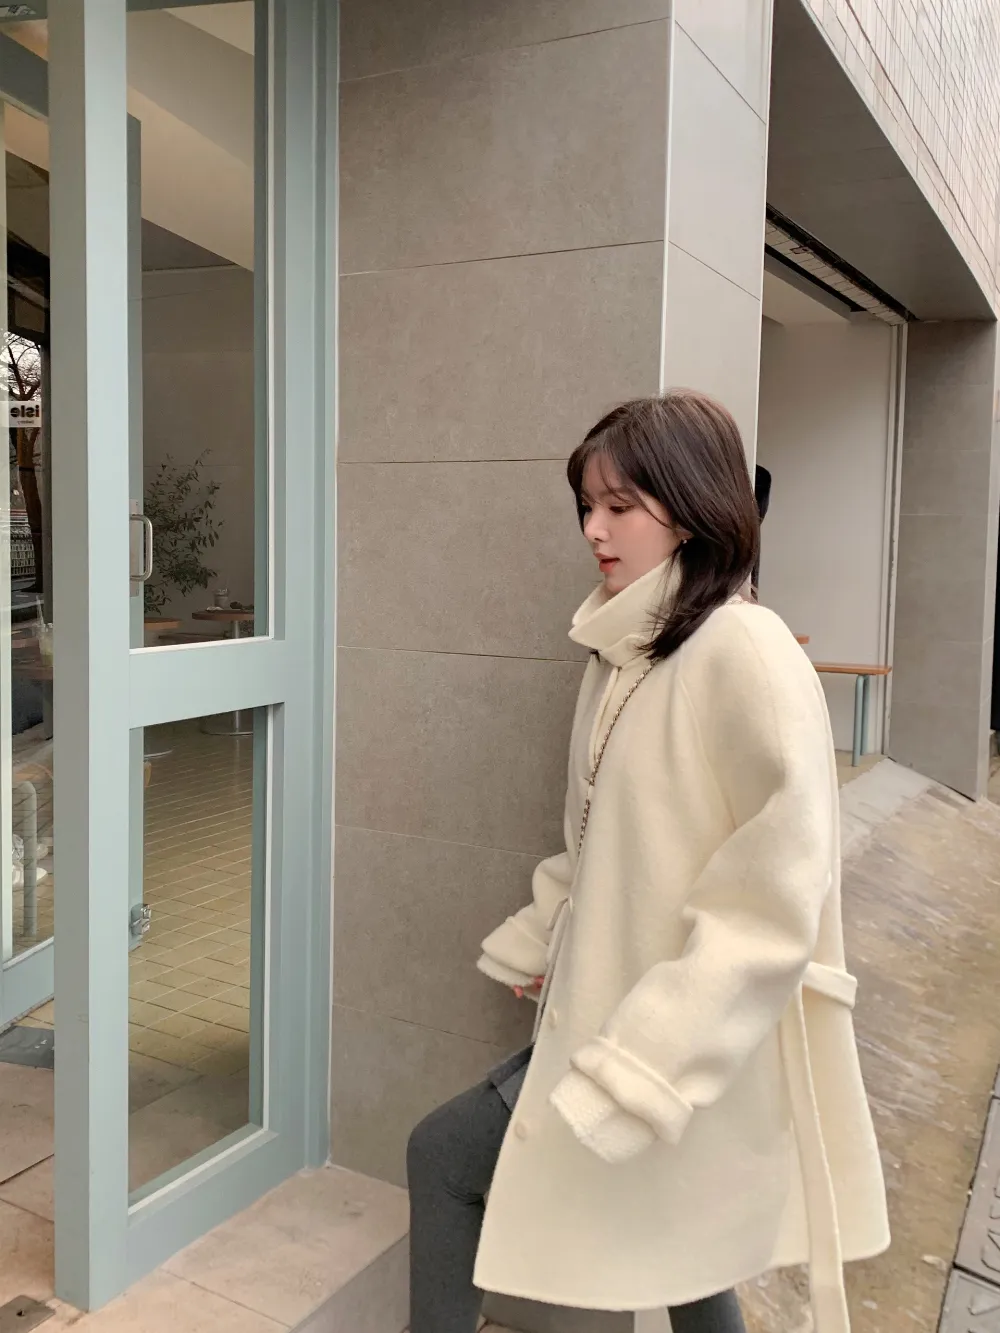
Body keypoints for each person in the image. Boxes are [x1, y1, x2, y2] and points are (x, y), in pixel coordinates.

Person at [407, 391, 889, 1333]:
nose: (594, 528)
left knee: (445, 1156)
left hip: (682, 1037)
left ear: (693, 505)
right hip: (615, 1003)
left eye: (619, 505)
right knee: (682, 1246)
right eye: (587, 505)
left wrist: (645, 1060)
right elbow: (600, 837)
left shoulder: (744, 653)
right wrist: (552, 935)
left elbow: (773, 906)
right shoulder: (623, 651)